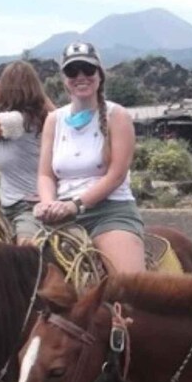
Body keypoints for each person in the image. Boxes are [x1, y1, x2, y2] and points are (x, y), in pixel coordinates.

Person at [33, 42, 145, 275]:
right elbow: (45, 174)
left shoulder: (118, 116)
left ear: (99, 75)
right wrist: (47, 204)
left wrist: (76, 205)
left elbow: (116, 175)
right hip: (61, 214)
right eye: (72, 71)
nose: (80, 76)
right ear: (64, 79)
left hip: (109, 212)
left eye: (88, 69)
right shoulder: (54, 119)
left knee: (130, 289)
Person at [0, 61, 55, 243]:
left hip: (27, 207)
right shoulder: (39, 117)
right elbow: (58, 114)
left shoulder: (16, 120)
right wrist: (41, 96)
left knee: (25, 253)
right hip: (10, 203)